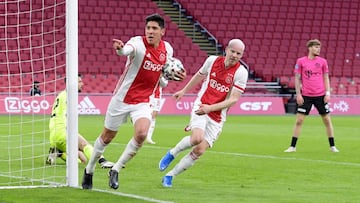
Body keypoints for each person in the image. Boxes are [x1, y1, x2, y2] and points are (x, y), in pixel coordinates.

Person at [81, 13, 186, 190]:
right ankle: (89, 169)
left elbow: (162, 78)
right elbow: (125, 51)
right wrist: (120, 49)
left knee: (142, 134)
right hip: (122, 98)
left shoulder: (167, 49)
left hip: (143, 101)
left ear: (162, 31)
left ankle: (116, 169)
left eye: (154, 29)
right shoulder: (137, 43)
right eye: (148, 28)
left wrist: (172, 77)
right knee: (107, 137)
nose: (150, 32)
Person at [158, 39, 248, 187]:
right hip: (201, 106)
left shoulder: (241, 72)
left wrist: (211, 108)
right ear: (226, 50)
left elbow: (233, 100)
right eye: (233, 51)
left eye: (239, 53)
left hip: (218, 116)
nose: (235, 55)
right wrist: (184, 91)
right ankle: (172, 153)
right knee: (196, 139)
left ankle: (170, 175)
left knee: (199, 151)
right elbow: (199, 76)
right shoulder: (212, 61)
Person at [46, 74, 114, 168]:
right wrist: (70, 131)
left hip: (54, 134)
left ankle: (59, 152)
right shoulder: (68, 97)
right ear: (72, 83)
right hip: (62, 131)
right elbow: (66, 114)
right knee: (83, 143)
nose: (82, 84)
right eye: (79, 82)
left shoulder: (61, 95)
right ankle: (102, 161)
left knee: (82, 160)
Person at [284, 39, 339, 153]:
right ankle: (293, 147)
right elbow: (297, 78)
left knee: (327, 120)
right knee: (299, 120)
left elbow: (326, 78)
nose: (318, 49)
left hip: (320, 95)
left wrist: (327, 93)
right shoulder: (301, 61)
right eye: (316, 47)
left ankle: (332, 146)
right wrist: (298, 94)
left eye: (319, 47)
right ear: (309, 48)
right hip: (306, 96)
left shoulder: (323, 62)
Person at [146, 76, 168, 144]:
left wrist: (160, 77)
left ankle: (149, 137)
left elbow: (164, 84)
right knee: (146, 115)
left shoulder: (164, 73)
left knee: (154, 116)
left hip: (157, 96)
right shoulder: (151, 70)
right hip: (148, 95)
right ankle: (141, 133)